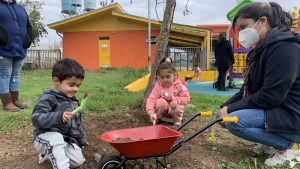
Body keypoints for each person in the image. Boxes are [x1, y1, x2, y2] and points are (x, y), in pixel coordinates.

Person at [219, 2, 300, 167]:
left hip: (291, 113)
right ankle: (273, 141)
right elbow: (246, 89)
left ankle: (292, 146)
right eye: (239, 30)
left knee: (234, 121)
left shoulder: (285, 47)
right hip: (276, 109)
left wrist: (231, 110)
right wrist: (225, 106)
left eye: (244, 27)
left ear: (263, 21)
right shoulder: (260, 50)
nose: (242, 33)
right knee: (222, 116)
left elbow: (271, 95)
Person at [31, 58, 87, 168]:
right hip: (44, 137)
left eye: (78, 85)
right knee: (56, 138)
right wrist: (58, 117)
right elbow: (36, 119)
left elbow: (77, 124)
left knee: (78, 161)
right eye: (71, 85)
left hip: (64, 139)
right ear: (56, 81)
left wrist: (81, 140)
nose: (76, 89)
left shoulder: (74, 101)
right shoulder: (48, 98)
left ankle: (47, 155)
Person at [0, 0, 33, 112]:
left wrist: (28, 39)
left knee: (16, 75)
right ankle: (7, 102)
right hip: (3, 48)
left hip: (20, 48)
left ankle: (15, 100)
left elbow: (28, 26)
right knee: (4, 74)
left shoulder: (20, 8)